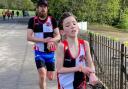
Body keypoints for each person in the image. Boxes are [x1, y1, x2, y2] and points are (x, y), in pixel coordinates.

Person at [56, 12, 98, 89]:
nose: (72, 26)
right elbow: (59, 69)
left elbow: (90, 63)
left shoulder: (85, 44)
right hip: (65, 86)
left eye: (74, 24)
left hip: (81, 85)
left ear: (78, 27)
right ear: (62, 32)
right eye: (68, 25)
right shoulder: (61, 46)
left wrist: (92, 73)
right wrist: (80, 68)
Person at [27, 0, 60, 89]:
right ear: (37, 8)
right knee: (42, 74)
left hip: (50, 53)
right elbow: (29, 37)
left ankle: (43, 79)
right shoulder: (32, 20)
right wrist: (44, 40)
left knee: (50, 77)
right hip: (39, 52)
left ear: (47, 8)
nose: (43, 8)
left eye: (44, 7)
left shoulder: (52, 20)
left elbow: (58, 36)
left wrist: (51, 40)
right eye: (41, 7)